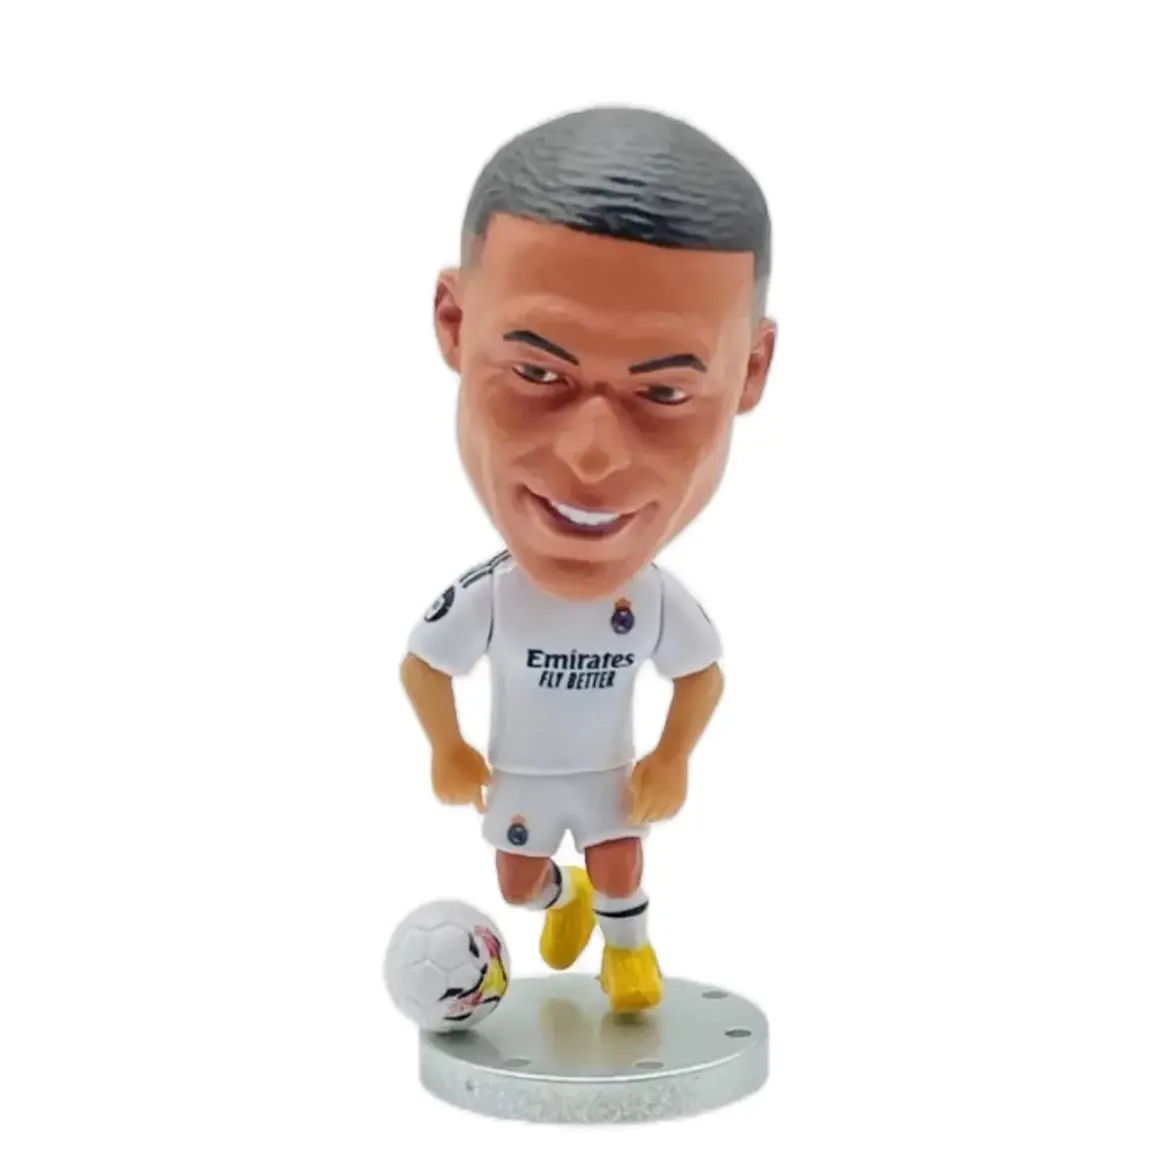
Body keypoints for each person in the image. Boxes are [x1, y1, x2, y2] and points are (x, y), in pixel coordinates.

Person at [400, 106, 775, 1012]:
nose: (594, 459)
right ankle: (557, 902)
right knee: (517, 882)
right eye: (537, 375)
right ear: (453, 323)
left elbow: (701, 674)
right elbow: (424, 663)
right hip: (522, 775)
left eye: (666, 392)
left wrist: (673, 756)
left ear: (751, 373)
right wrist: (447, 745)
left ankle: (630, 958)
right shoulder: (490, 596)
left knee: (621, 861)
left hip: (609, 780)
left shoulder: (654, 599)